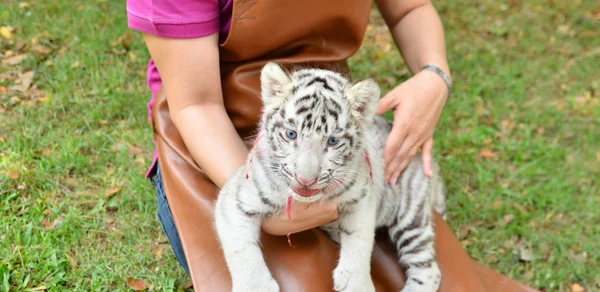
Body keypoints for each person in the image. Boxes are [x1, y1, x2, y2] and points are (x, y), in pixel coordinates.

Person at [126, 0, 452, 273]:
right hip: (216, 145)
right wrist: (257, 197)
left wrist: (434, 74)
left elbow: (411, 8)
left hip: (325, 136)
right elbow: (198, 105)